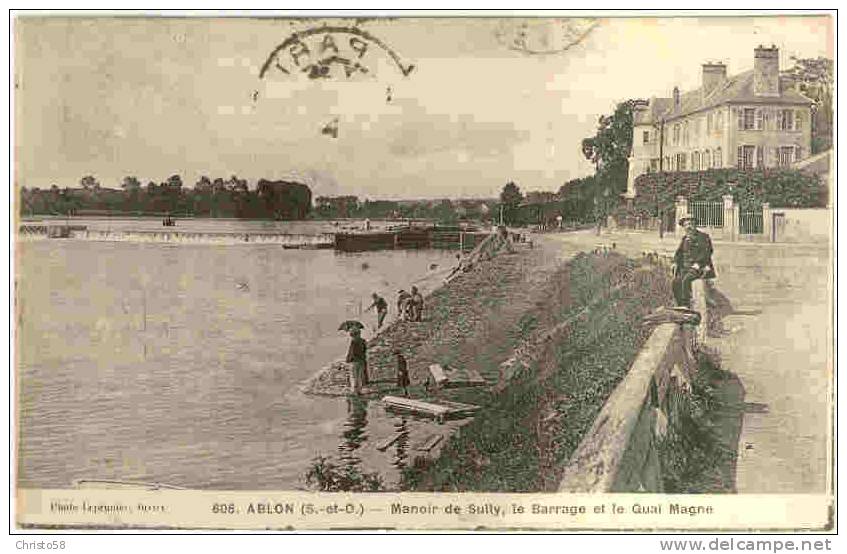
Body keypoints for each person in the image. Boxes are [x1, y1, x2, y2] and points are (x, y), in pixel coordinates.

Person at [672, 216, 716, 308]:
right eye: (686, 225)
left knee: (686, 280)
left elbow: (707, 251)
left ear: (695, 225)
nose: (688, 227)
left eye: (690, 224)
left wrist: (698, 263)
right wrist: (675, 262)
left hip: (700, 267)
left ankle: (686, 305)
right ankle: (679, 304)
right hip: (685, 267)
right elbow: (679, 253)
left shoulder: (703, 237)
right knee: (676, 282)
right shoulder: (685, 238)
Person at [345, 328, 368, 393]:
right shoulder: (363, 341)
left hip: (354, 361)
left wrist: (348, 359)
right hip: (361, 360)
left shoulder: (353, 342)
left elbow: (351, 352)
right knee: (360, 375)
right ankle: (359, 390)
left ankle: (354, 390)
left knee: (353, 376)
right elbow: (364, 350)